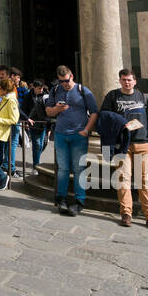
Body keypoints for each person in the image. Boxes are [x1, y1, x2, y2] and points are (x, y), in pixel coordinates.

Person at [100, 68, 148, 230]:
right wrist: (121, 123)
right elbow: (104, 116)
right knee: (123, 179)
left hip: (143, 144)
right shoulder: (112, 96)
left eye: (129, 80)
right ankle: (126, 214)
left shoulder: (143, 97)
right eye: (124, 79)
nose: (127, 82)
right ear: (120, 81)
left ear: (135, 81)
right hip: (122, 145)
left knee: (144, 181)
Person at [47, 65, 97, 216]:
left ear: (72, 76)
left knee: (78, 168)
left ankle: (79, 201)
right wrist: (57, 109)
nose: (64, 84)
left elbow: (94, 112)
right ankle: (60, 199)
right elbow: (48, 111)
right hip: (61, 134)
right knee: (62, 168)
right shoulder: (55, 90)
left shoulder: (83, 91)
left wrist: (86, 130)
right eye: (61, 81)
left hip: (78, 135)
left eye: (66, 81)